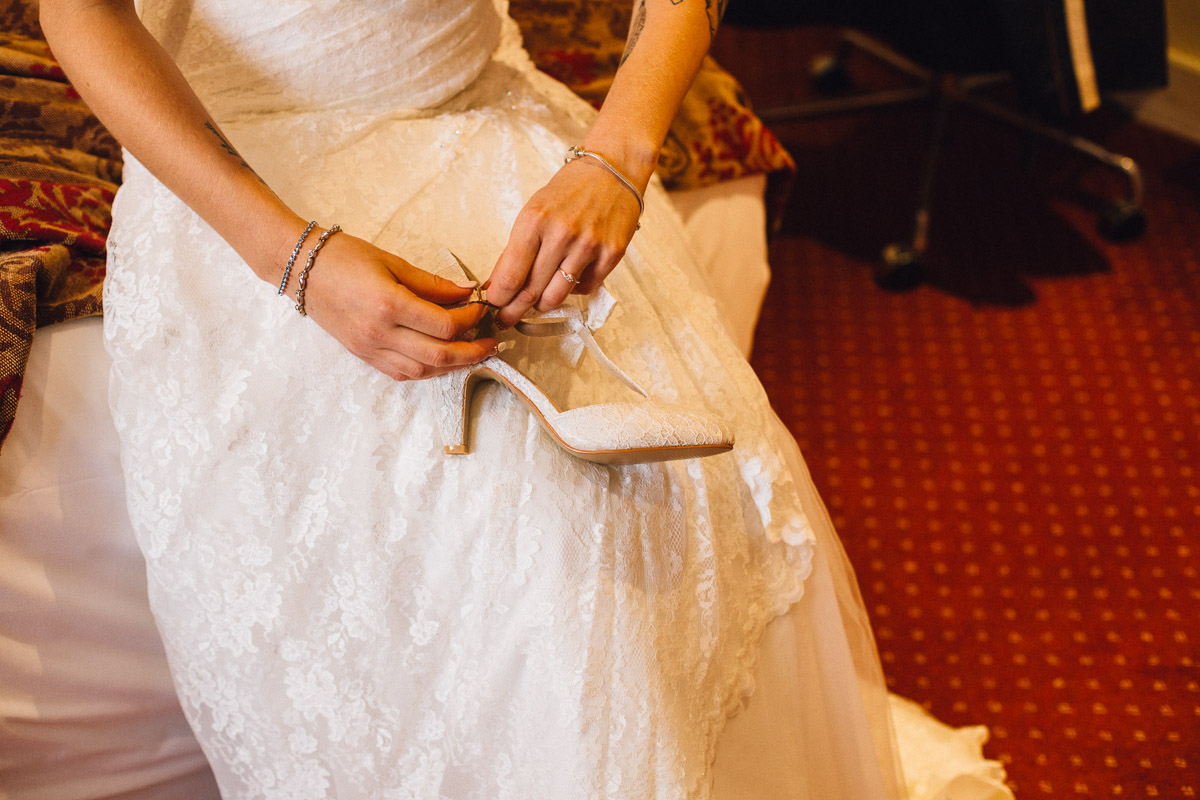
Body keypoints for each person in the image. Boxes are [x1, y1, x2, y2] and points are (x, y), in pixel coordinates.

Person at [39, 0, 1011, 797]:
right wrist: (296, 261)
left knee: (628, 551)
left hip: (484, 124)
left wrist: (619, 154)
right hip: (250, 195)